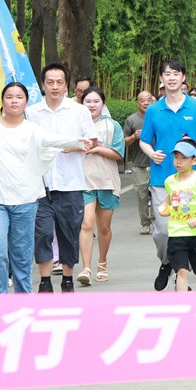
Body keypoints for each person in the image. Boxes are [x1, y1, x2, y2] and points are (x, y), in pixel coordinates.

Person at [0, 82, 87, 294]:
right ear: (2, 101)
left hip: (26, 200)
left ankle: (24, 298)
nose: (14, 101)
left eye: (19, 97)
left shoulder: (32, 129)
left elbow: (53, 141)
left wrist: (78, 142)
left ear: (26, 102)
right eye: (9, 97)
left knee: (22, 253)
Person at [140, 60, 196, 291]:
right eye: (167, 74)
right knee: (163, 230)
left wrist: (193, 145)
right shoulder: (154, 110)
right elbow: (145, 140)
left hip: (189, 183)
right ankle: (167, 262)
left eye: (176, 74)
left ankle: (179, 273)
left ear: (184, 78)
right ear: (161, 79)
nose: (172, 78)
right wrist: (151, 153)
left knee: (185, 231)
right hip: (162, 179)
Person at [26, 63, 97, 294]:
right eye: (50, 82)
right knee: (43, 233)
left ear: (66, 85)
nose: (54, 87)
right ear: (43, 85)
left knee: (68, 234)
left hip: (70, 183)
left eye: (59, 82)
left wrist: (75, 146)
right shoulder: (31, 113)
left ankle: (68, 278)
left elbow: (92, 141)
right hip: (40, 184)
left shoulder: (79, 111)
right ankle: (45, 280)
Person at [78, 87, 125, 285]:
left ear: (103, 104)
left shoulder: (113, 125)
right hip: (83, 181)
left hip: (106, 180)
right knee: (86, 223)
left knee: (104, 228)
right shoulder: (75, 125)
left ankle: (102, 262)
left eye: (96, 101)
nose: (91, 105)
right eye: (88, 101)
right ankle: (86, 268)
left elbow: (119, 155)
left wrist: (97, 149)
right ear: (82, 103)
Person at [160, 138, 196, 292]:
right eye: (176, 157)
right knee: (182, 271)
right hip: (177, 231)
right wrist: (164, 207)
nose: (178, 162)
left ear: (194, 160)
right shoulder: (169, 181)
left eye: (183, 158)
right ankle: (182, 302)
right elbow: (169, 199)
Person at [122, 90, 156, 235]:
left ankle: (157, 221)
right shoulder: (132, 120)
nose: (146, 102)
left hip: (157, 163)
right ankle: (145, 223)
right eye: (142, 100)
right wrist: (134, 137)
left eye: (149, 99)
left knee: (157, 194)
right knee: (142, 196)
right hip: (139, 164)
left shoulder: (158, 117)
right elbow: (124, 142)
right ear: (138, 103)